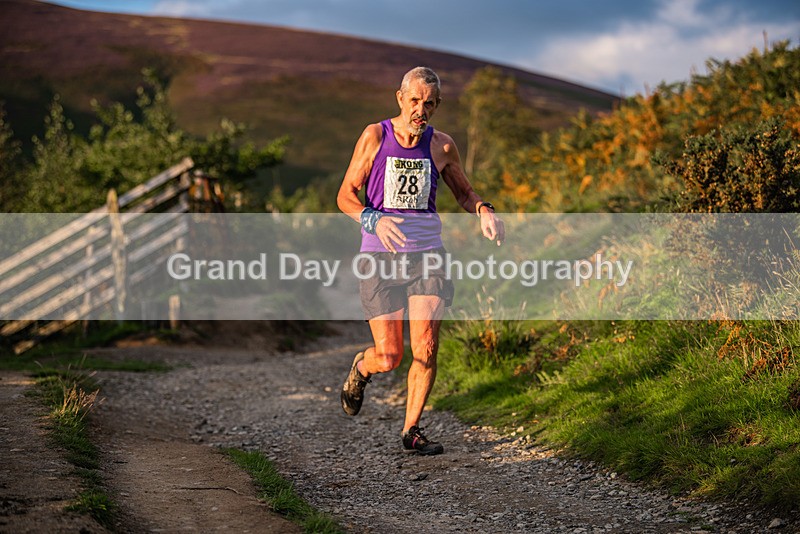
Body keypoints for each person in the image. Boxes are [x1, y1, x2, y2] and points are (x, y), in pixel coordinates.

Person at [337, 66, 505, 455]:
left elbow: (465, 192)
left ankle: (411, 429)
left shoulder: (442, 146)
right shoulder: (374, 136)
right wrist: (374, 220)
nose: (420, 110)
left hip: (428, 256)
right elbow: (345, 195)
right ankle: (362, 367)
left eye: (429, 103)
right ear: (400, 98)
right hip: (379, 257)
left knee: (426, 348)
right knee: (390, 356)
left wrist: (484, 210)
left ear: (437, 105)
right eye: (414, 101)